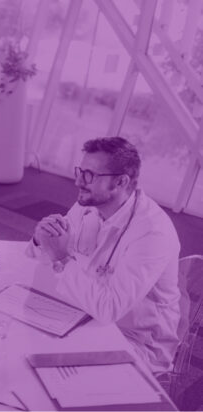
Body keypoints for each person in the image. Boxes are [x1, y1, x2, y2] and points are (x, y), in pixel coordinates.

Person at [27, 137, 181, 373]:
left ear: (120, 182)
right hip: (84, 313)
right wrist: (41, 240)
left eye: (89, 175)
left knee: (46, 363)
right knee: (20, 333)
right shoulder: (88, 205)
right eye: (80, 171)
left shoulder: (153, 233)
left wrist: (62, 258)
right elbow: (38, 258)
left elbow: (109, 309)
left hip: (135, 341)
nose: (78, 181)